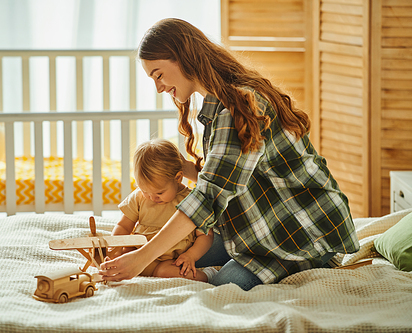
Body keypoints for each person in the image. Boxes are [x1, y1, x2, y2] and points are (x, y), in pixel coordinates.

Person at [100, 18, 360, 291]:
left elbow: (209, 197)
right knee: (177, 255)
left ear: (182, 58)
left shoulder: (238, 108)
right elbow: (231, 178)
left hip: (303, 234)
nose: (159, 87)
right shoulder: (218, 106)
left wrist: (140, 259)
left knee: (225, 284)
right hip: (261, 226)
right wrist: (183, 169)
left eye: (158, 74)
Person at [110, 138, 216, 282]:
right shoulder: (139, 197)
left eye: (159, 193)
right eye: (145, 190)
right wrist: (114, 249)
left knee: (165, 272)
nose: (152, 197)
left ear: (178, 178)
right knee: (120, 256)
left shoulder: (191, 199)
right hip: (139, 251)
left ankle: (208, 275)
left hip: (171, 260)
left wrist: (191, 255)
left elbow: (206, 235)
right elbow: (123, 226)